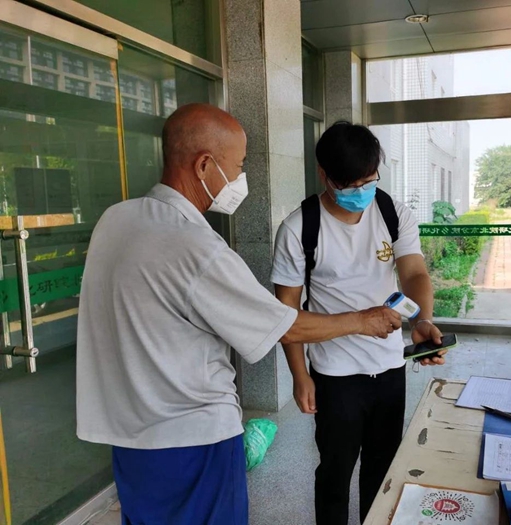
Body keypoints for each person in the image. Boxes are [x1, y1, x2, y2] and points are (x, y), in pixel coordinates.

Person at [75, 105, 402, 525]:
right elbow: (284, 325)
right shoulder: (197, 247)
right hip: (193, 438)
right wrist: (363, 321)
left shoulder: (116, 219)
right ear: (204, 165)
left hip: (128, 437)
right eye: (239, 165)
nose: (240, 177)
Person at [271, 121, 446, 525]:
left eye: (368, 181)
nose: (361, 192)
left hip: (389, 367)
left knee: (383, 473)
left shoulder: (392, 212)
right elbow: (286, 314)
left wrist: (422, 319)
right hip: (335, 375)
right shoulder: (299, 228)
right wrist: (300, 375)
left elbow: (414, 273)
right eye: (350, 185)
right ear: (324, 174)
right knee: (335, 474)